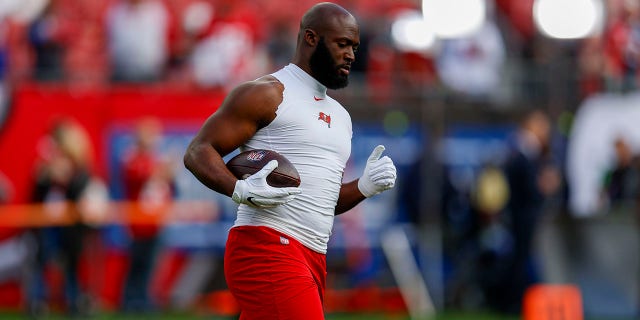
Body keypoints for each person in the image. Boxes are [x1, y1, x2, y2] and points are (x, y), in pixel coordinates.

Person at [183, 2, 397, 319]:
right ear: (311, 38)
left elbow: (320, 203)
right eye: (342, 44)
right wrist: (240, 189)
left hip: (312, 255)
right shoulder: (268, 93)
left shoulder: (341, 117)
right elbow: (198, 152)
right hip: (267, 245)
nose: (351, 55)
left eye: (354, 46)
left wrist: (363, 187)